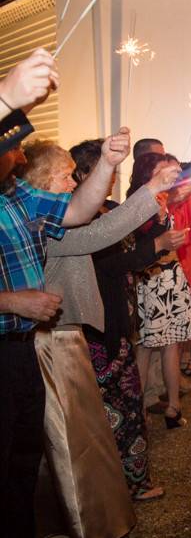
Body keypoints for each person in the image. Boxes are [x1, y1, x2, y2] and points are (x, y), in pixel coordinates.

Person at [19, 139, 176, 536]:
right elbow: (99, 234)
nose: (72, 180)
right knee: (68, 442)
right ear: (42, 179)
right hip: (54, 342)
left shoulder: (51, 218)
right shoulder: (44, 224)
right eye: (65, 174)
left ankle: (80, 516)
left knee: (83, 439)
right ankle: (70, 520)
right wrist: (150, 189)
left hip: (67, 337)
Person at [0, 48, 128, 536]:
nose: (19, 152)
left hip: (22, 350)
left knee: (21, 467)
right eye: (12, 142)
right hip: (8, 339)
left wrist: (107, 167)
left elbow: (77, 211)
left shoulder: (16, 194)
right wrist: (10, 301)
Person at [128, 153, 191, 429]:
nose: (169, 174)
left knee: (170, 346)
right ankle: (141, 410)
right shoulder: (142, 201)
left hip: (169, 276)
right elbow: (141, 242)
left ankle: (172, 406)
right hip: (152, 278)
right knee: (146, 346)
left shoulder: (161, 199)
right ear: (149, 173)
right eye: (163, 169)